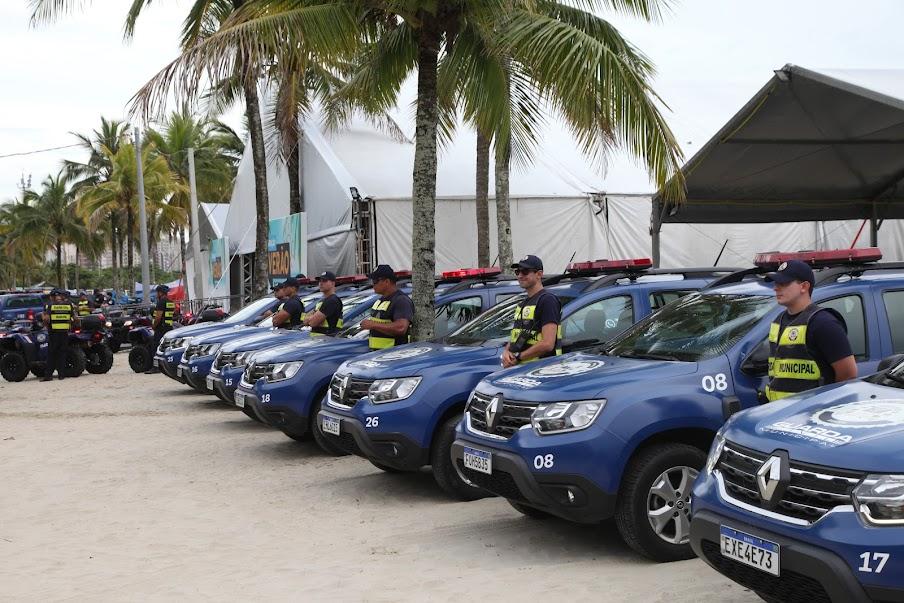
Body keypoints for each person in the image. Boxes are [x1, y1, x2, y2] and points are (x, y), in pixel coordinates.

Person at [764, 259, 857, 402]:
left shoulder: (823, 323)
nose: (776, 288)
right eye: (776, 283)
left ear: (804, 287)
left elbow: (848, 374)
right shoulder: (778, 320)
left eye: (784, 283)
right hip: (780, 414)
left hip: (812, 415)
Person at [501, 255, 562, 368]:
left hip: (543, 370)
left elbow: (548, 344)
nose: (520, 275)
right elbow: (517, 336)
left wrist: (518, 357)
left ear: (539, 274)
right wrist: (507, 351)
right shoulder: (524, 303)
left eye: (525, 272)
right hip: (523, 370)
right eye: (517, 271)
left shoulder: (547, 300)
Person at [360, 265, 413, 350]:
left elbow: (401, 327)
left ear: (387, 281)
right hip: (378, 355)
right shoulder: (381, 300)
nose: (373, 284)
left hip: (394, 356)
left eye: (375, 281)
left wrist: (372, 325)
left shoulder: (401, 300)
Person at [42, 288, 77, 381]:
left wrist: (45, 325)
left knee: (51, 354)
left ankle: (48, 375)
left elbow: (46, 319)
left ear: (52, 297)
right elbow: (75, 318)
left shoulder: (50, 305)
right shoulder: (69, 305)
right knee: (62, 354)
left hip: (53, 334)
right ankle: (61, 375)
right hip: (64, 333)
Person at [145, 284, 176, 374]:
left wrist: (154, 326)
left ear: (160, 293)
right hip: (169, 328)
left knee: (155, 347)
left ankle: (156, 367)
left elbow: (158, 317)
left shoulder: (161, 302)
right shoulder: (170, 301)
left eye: (157, 292)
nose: (156, 294)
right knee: (166, 348)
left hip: (161, 328)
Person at [304, 271, 344, 335]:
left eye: (324, 281)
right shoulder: (323, 301)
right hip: (319, 340)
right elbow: (305, 321)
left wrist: (312, 317)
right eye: (320, 281)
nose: (321, 283)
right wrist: (313, 317)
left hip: (327, 340)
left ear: (333, 283)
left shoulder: (332, 301)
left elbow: (312, 323)